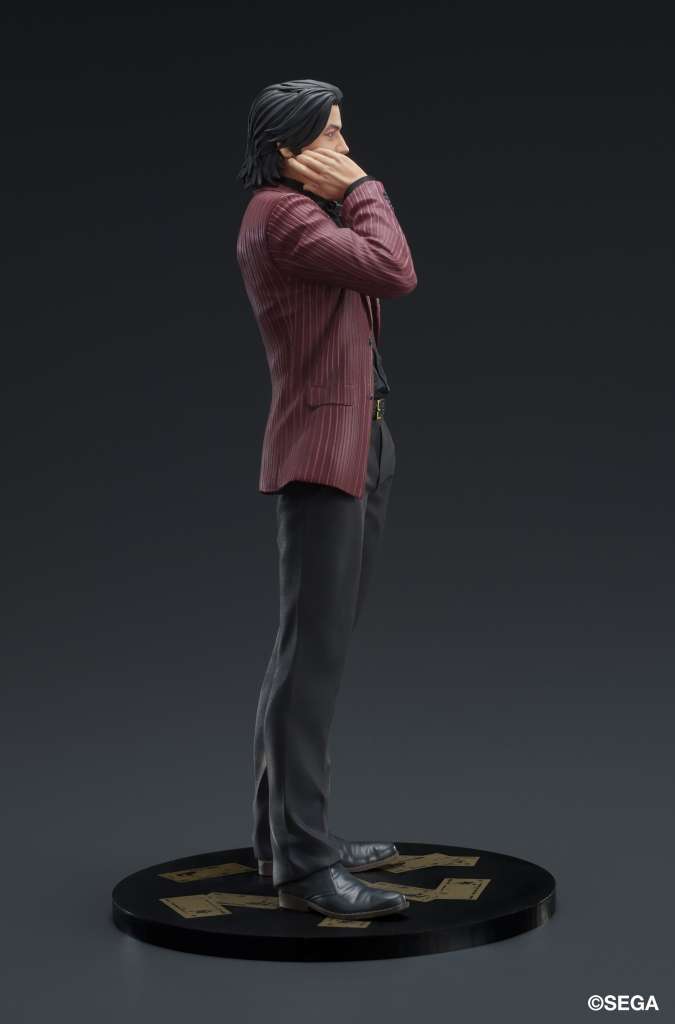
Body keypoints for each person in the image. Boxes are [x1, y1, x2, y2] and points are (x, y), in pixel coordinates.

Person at [235, 79, 417, 919]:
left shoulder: (302, 215)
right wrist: (365, 188)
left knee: (310, 652)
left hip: (353, 444)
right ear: (288, 150)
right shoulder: (285, 216)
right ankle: (304, 864)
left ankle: (282, 839)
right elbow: (394, 271)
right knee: (310, 661)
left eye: (345, 136)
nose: (346, 150)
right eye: (331, 137)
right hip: (324, 453)